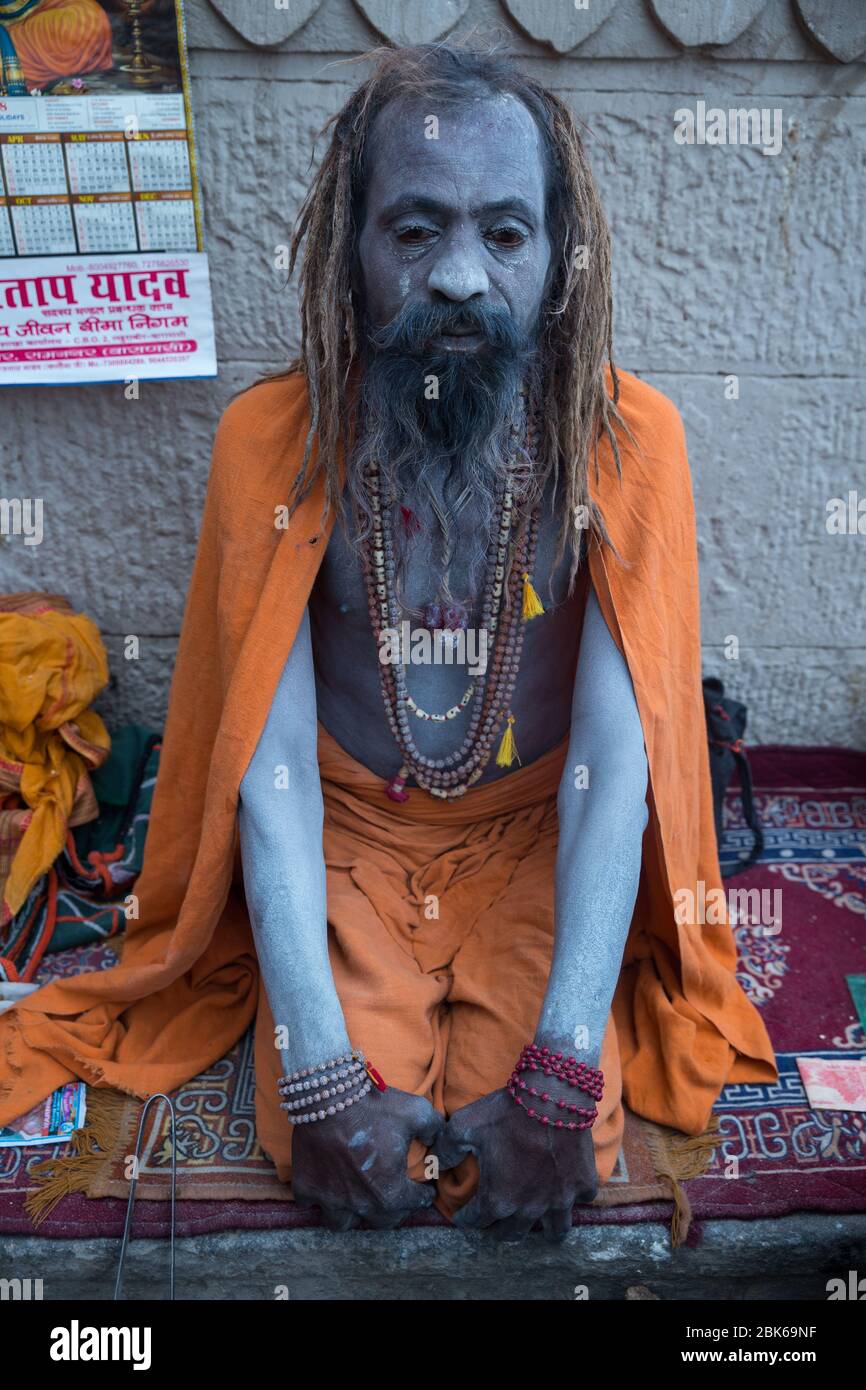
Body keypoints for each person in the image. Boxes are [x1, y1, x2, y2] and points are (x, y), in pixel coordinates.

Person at [0, 44, 776, 1243]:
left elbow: (619, 764)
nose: (460, 277)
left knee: (544, 1136)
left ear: (558, 261)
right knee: (338, 1139)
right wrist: (315, 1061)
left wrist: (567, 1059)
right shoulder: (272, 441)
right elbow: (266, 768)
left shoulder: (630, 444)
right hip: (345, 830)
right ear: (347, 253)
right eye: (415, 231)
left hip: (536, 825)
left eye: (504, 236)